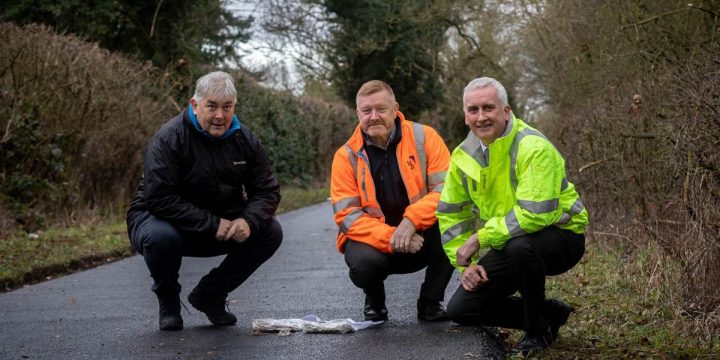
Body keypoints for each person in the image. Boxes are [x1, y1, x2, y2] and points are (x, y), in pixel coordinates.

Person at [437, 77, 588, 355]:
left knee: (520, 247)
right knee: (462, 308)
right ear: (465, 117)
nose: (481, 117)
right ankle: (549, 313)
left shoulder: (533, 147)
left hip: (562, 238)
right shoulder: (463, 156)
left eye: (488, 108)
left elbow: (534, 214)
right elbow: (451, 214)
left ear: (506, 111)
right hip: (507, 239)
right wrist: (465, 266)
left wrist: (480, 237)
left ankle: (537, 331)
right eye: (473, 110)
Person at [126, 71, 283, 331]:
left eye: (227, 107)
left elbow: (267, 191)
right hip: (161, 220)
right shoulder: (168, 138)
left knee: (270, 231)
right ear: (194, 105)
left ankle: (210, 294)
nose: (220, 115)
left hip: (220, 221)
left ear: (234, 107)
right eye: (212, 106)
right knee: (160, 237)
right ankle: (168, 303)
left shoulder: (245, 139)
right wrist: (212, 224)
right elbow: (159, 198)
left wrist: (248, 220)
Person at [330, 80, 455, 322]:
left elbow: (446, 191)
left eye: (381, 109)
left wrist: (411, 221)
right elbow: (348, 216)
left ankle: (430, 302)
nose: (373, 117)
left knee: (454, 226)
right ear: (358, 113)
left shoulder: (426, 137)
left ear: (395, 107)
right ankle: (375, 302)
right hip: (378, 245)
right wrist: (393, 237)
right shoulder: (345, 157)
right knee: (364, 264)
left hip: (422, 235)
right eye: (366, 111)